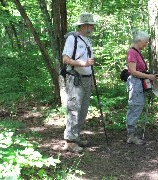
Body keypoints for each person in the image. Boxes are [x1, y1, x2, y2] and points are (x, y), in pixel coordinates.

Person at [62, 12, 96, 153]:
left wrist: (92, 79)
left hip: (87, 79)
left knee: (83, 110)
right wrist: (83, 64)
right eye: (90, 25)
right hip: (75, 78)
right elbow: (65, 59)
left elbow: (90, 63)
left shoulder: (87, 41)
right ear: (84, 25)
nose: (92, 27)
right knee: (74, 109)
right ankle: (70, 141)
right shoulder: (72, 39)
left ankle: (76, 137)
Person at [126, 30, 158, 145]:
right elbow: (133, 71)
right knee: (135, 106)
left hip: (139, 83)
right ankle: (131, 135)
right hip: (135, 83)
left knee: (138, 106)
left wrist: (149, 76)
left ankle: (132, 133)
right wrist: (148, 76)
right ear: (139, 41)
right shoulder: (132, 52)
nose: (146, 44)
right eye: (145, 42)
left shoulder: (137, 52)